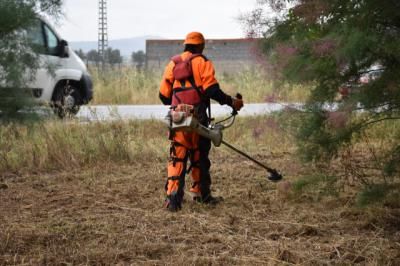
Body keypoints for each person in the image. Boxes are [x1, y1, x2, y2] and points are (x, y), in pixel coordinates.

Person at [159, 32, 244, 212]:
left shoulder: (172, 63)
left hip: (177, 115)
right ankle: (201, 195)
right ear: (200, 46)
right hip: (197, 115)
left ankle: (173, 200)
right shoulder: (202, 62)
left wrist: (180, 99)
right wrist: (231, 102)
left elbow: (164, 96)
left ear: (186, 45)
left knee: (177, 156)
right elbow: (212, 90)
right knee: (199, 156)